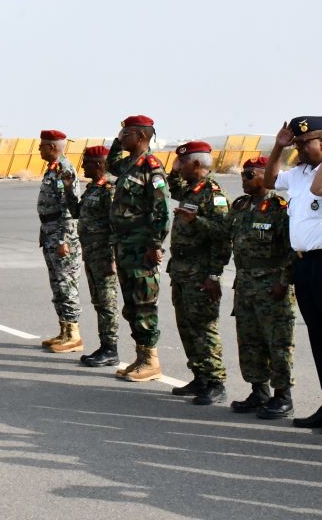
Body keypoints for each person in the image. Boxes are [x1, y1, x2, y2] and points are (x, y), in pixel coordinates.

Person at [228, 157, 297, 418]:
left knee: (278, 343)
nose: (243, 179)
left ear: (265, 176)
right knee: (249, 341)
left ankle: (283, 397)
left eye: (248, 174)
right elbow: (225, 236)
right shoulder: (241, 206)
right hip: (245, 284)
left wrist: (283, 281)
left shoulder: (280, 209)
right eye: (242, 174)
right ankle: (259, 392)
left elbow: (293, 249)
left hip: (272, 286)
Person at [266, 116, 322, 428]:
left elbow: (319, 188)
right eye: (296, 143)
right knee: (317, 337)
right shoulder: (299, 172)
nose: (298, 148)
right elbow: (270, 181)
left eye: (304, 143)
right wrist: (278, 147)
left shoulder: (315, 175)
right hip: (304, 264)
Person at [106, 115, 170, 382]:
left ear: (142, 137)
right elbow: (110, 164)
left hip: (141, 246)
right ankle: (141, 355)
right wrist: (117, 140)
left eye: (127, 135)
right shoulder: (129, 164)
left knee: (144, 303)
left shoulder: (151, 168)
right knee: (132, 304)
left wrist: (155, 244)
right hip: (124, 245)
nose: (122, 139)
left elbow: (162, 210)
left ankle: (151, 360)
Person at [167, 141, 232, 405]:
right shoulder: (190, 190)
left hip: (201, 272)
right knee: (186, 326)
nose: (178, 168)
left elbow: (223, 234)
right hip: (182, 270)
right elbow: (172, 186)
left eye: (182, 163)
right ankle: (200, 376)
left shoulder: (213, 194)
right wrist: (174, 165)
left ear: (195, 164)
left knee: (204, 328)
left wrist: (214, 275)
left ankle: (216, 382)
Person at [65, 145, 120, 367]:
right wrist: (69, 190)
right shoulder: (94, 188)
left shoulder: (110, 189)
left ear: (98, 164)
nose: (82, 167)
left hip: (105, 256)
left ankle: (111, 348)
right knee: (99, 301)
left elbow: (117, 224)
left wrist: (114, 258)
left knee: (108, 302)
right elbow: (77, 212)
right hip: (92, 254)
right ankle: (105, 345)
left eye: (86, 162)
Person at [35, 130, 83, 353]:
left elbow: (69, 208)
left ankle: (74, 334)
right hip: (50, 232)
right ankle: (64, 329)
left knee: (66, 284)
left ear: (53, 147)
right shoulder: (52, 168)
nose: (39, 149)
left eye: (43, 145)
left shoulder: (65, 169)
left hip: (62, 235)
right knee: (57, 284)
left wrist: (64, 239)